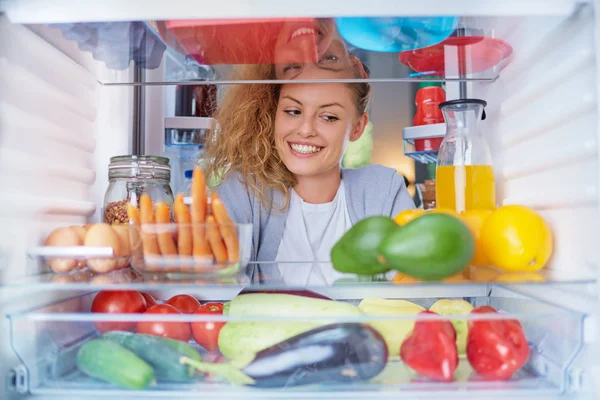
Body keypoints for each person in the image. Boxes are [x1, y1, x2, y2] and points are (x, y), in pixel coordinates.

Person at [205, 20, 415, 282]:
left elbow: (416, 289)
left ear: (357, 127)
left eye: (328, 117)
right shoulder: (243, 193)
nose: (306, 129)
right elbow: (213, 288)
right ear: (274, 114)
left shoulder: (383, 191)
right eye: (293, 111)